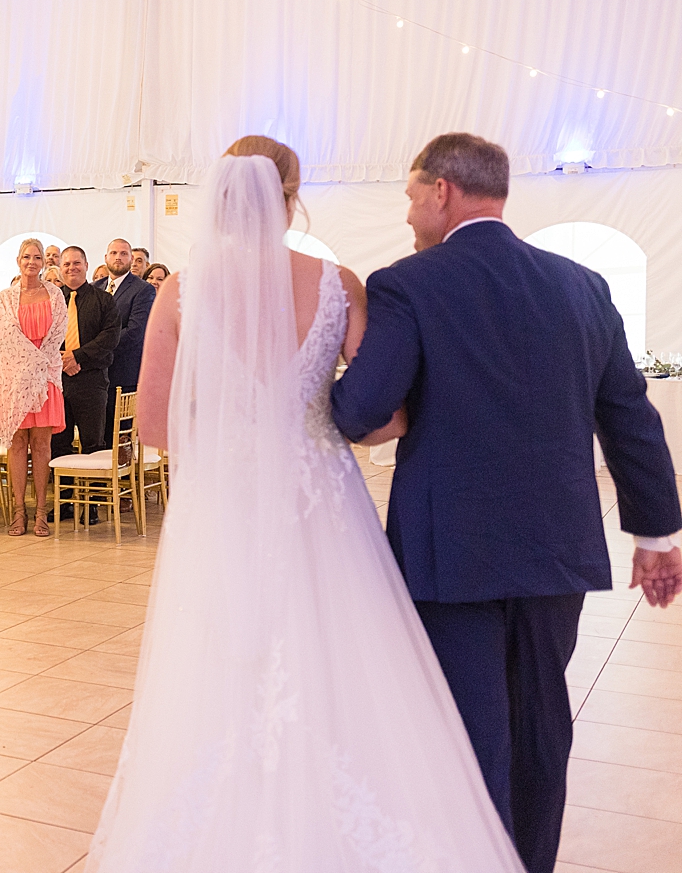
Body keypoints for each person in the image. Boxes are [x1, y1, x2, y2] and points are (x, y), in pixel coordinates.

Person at [87, 144, 526, 873]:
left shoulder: (183, 290)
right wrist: (315, 418)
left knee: (219, 660)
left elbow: (156, 425)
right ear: (292, 195)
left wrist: (233, 428)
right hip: (321, 500)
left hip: (223, 505)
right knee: (342, 656)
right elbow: (382, 416)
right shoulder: (337, 283)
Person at [332, 133, 682, 873]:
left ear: (442, 191)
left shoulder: (409, 284)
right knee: (541, 725)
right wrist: (656, 533)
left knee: (467, 728)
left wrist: (316, 379)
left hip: (450, 550)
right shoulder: (581, 284)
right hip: (556, 547)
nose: (406, 213)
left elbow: (362, 407)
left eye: (409, 194)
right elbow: (628, 413)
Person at [0, 238, 66, 536]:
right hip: (14, 381)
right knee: (17, 445)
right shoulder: (5, 298)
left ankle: (42, 511)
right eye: (27, 257)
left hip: (44, 378)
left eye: (38, 257)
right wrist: (20, 370)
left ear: (44, 262)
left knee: (42, 446)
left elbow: (57, 335)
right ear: (18, 260)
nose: (32, 262)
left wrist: (36, 363)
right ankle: (19, 511)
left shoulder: (55, 294)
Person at [50, 245, 119, 522]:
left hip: (91, 381)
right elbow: (44, 338)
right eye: (66, 264)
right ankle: (64, 503)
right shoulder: (53, 301)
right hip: (58, 382)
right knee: (59, 444)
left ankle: (90, 505)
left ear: (86, 265)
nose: (71, 268)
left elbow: (110, 338)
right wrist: (62, 360)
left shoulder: (104, 300)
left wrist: (77, 357)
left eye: (76, 263)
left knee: (93, 444)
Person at [97, 238, 155, 450]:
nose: (118, 257)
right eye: (113, 253)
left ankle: (120, 481)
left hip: (123, 374)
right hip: (95, 376)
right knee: (98, 436)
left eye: (123, 253)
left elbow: (134, 332)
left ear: (131, 259)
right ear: (106, 258)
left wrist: (98, 348)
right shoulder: (95, 288)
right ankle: (97, 481)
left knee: (121, 439)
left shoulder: (143, 290)